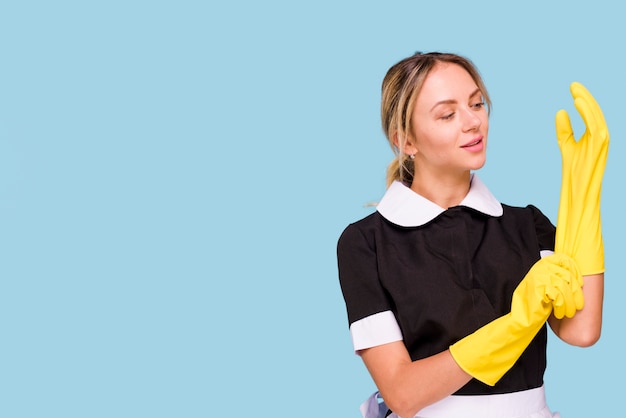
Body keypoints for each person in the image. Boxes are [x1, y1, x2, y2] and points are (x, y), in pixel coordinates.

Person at [336, 51, 608, 418]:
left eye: (476, 104)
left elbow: (581, 329)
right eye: (447, 114)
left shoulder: (525, 225)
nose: (472, 122)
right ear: (406, 141)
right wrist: (515, 325)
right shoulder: (366, 244)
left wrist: (584, 190)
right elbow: (402, 394)